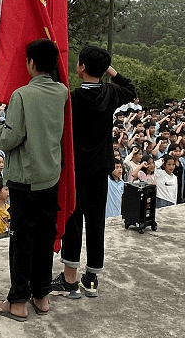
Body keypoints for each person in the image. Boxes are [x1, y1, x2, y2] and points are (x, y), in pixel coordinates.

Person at [0, 39, 68, 322]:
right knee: (44, 237)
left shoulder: (22, 95)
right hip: (50, 176)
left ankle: (17, 301)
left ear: (31, 63)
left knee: (22, 239)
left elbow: (9, 139)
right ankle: (41, 295)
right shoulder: (62, 92)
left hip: (24, 180)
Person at [52, 45, 138, 296]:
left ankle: (69, 279)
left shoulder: (72, 98)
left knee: (73, 218)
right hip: (101, 167)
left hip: (76, 168)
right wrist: (107, 69)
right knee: (96, 220)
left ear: (81, 68)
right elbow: (130, 89)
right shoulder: (111, 93)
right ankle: (91, 279)